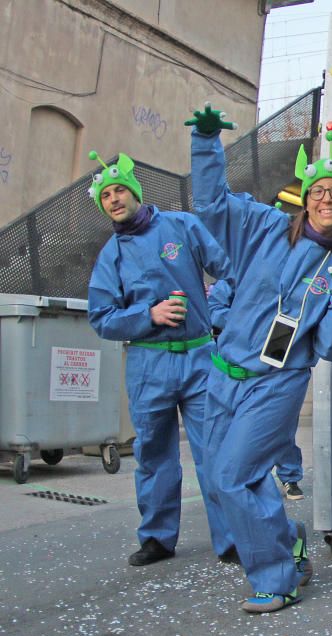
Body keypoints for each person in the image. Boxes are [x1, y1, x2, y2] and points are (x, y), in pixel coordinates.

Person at [188, 107, 332, 613]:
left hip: (277, 383)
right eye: (318, 191)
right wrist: (205, 144)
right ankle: (289, 540)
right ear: (305, 199)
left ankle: (275, 576)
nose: (326, 198)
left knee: (234, 476)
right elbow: (211, 203)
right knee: (222, 483)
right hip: (223, 374)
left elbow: (331, 348)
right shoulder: (264, 226)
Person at [86, 150, 235, 567]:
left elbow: (228, 267)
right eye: (106, 196)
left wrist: (222, 310)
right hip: (149, 363)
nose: (114, 199)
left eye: (119, 191)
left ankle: (232, 537)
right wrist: (147, 316)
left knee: (217, 450)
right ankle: (156, 536)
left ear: (135, 192)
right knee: (153, 452)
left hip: (201, 357)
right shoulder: (110, 256)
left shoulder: (182, 226)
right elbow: (101, 317)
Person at [207, 279, 305, 501]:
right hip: (235, 371)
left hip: (278, 368)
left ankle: (289, 475)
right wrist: (245, 323)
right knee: (231, 459)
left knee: (280, 429)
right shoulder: (239, 269)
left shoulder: (298, 268)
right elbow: (215, 308)